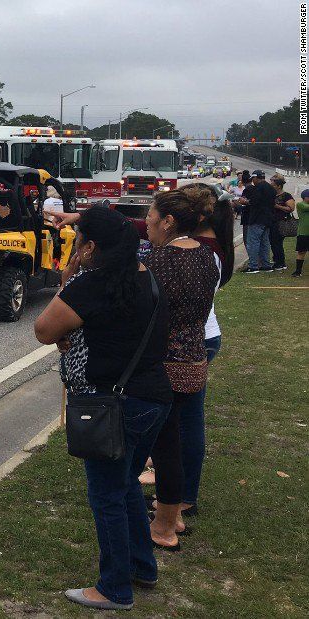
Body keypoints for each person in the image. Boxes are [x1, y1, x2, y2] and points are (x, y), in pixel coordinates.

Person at [34, 206, 172, 611]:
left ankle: (114, 588)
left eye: (80, 243)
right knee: (127, 482)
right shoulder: (145, 275)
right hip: (153, 397)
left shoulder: (93, 282)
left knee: (107, 493)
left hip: (114, 403)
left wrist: (71, 274)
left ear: (91, 247)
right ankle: (142, 566)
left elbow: (44, 329)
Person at [143, 187, 219, 551]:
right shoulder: (207, 256)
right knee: (183, 436)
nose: (147, 224)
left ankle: (165, 523)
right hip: (194, 357)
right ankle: (175, 512)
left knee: (165, 446)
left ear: (169, 222)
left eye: (151, 218)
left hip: (164, 363)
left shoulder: (159, 262)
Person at [239, 170, 276, 273]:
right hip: (268, 218)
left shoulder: (258, 188)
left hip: (257, 218)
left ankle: (253, 266)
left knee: (253, 242)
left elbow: (254, 202)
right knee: (265, 243)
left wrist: (244, 201)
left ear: (256, 178)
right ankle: (266, 265)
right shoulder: (271, 188)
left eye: (253, 179)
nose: (253, 181)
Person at [269, 174, 295, 271]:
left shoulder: (286, 195)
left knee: (277, 242)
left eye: (273, 184)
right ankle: (276, 260)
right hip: (272, 221)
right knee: (273, 242)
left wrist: (277, 206)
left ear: (279, 186)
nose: (271, 185)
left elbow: (291, 208)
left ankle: (280, 262)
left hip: (281, 222)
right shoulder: (271, 195)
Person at [294, 189, 309, 277]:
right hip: (303, 233)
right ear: (305, 197)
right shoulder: (300, 204)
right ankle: (298, 271)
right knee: (301, 252)